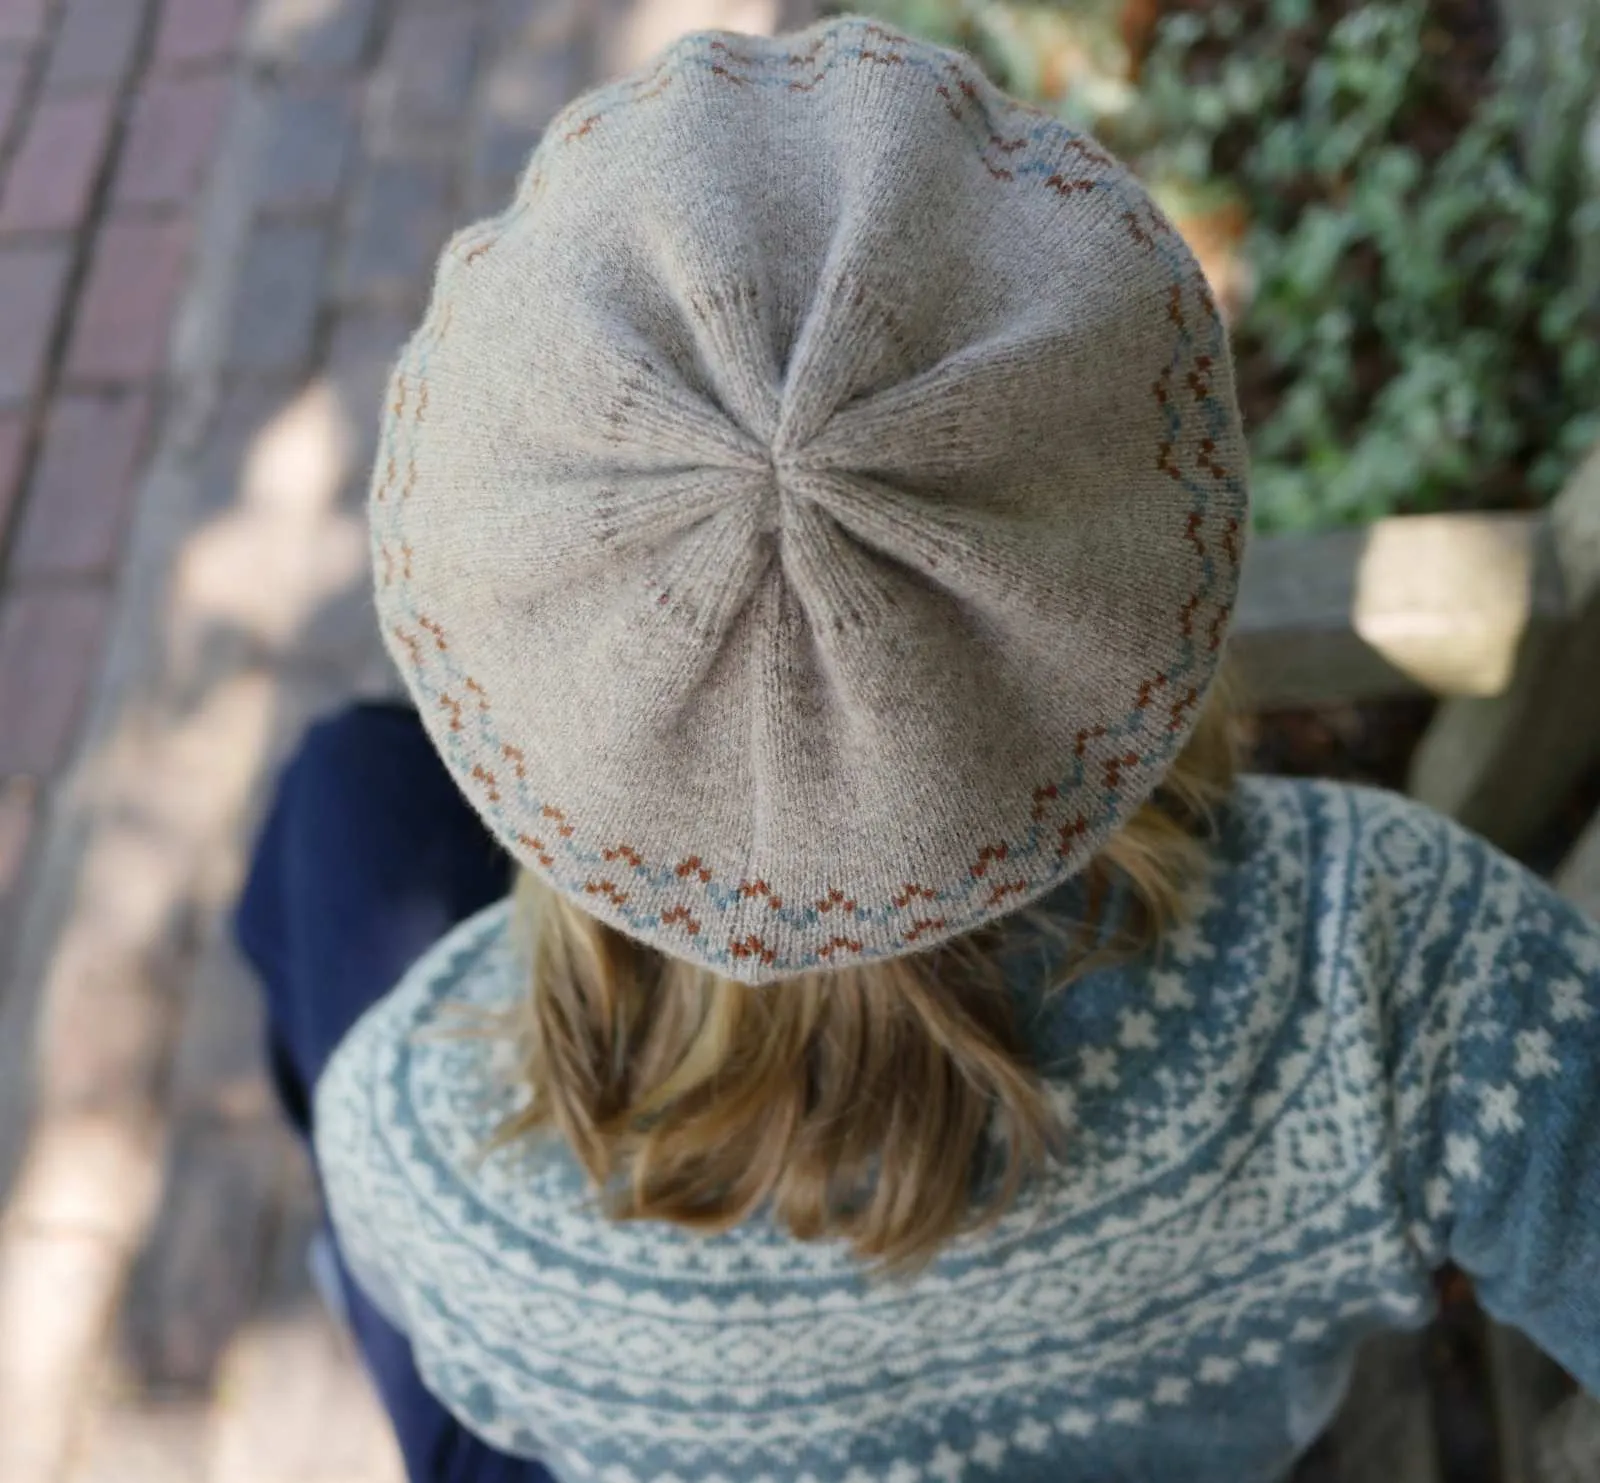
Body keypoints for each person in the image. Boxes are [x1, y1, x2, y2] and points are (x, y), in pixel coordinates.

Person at [235, 14, 1600, 1483]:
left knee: (339, 808)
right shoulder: (1391, 971)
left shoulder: (425, 1150)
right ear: (1130, 573)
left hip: (613, 1373)